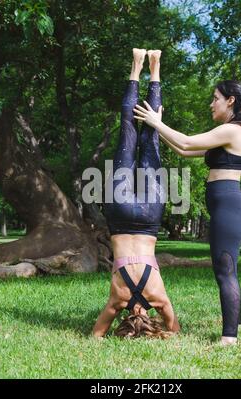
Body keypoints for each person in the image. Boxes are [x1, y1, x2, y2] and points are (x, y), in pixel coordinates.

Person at [134, 77, 241, 346]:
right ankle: (233, 322)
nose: (211, 104)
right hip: (224, 207)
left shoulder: (234, 130)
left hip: (230, 207)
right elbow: (183, 150)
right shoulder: (227, 131)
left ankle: (229, 338)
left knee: (225, 270)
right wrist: (157, 127)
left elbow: (188, 142)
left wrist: (156, 122)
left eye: (215, 98)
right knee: (225, 269)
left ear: (231, 101)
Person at [92, 48, 180, 338]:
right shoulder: (116, 301)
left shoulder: (158, 298)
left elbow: (172, 325)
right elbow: (97, 334)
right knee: (127, 133)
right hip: (118, 214)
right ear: (126, 320)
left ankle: (154, 68)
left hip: (148, 216)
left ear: (146, 319)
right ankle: (136, 65)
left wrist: (168, 332)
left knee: (151, 138)